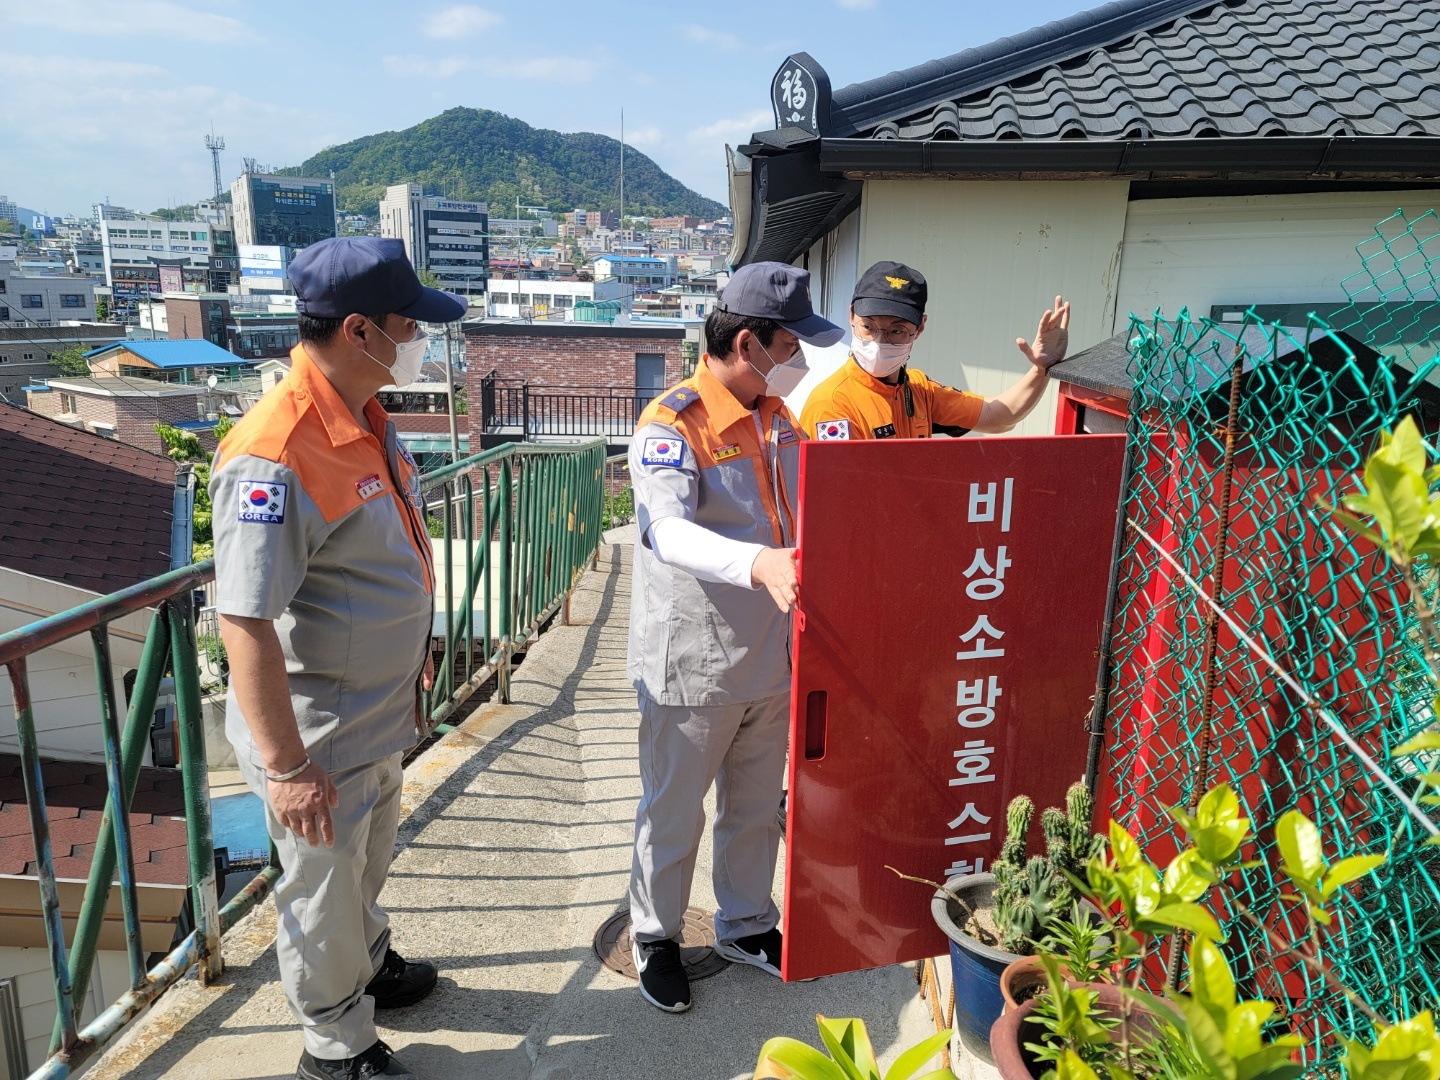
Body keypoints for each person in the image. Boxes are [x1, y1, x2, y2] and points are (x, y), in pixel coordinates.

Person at [212, 237, 466, 1080]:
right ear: (360, 330)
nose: (419, 339)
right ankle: (335, 1043)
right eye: (409, 324)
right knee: (320, 889)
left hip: (375, 712)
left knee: (364, 860)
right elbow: (244, 619)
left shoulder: (366, 417)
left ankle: (369, 964)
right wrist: (288, 766)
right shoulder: (278, 450)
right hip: (316, 729)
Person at [626, 261, 844, 1013]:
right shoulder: (672, 424)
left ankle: (746, 924)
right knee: (674, 810)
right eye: (791, 345)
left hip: (770, 654)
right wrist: (757, 562)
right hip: (693, 660)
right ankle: (655, 935)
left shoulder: (780, 419)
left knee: (753, 804)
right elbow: (664, 530)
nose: (800, 359)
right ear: (747, 343)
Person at [798, 261, 1070, 440]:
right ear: (851, 316)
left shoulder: (919, 390)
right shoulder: (832, 406)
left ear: (919, 328)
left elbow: (998, 417)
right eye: (868, 327)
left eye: (896, 331)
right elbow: (839, 500)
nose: (879, 342)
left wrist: (1041, 370)